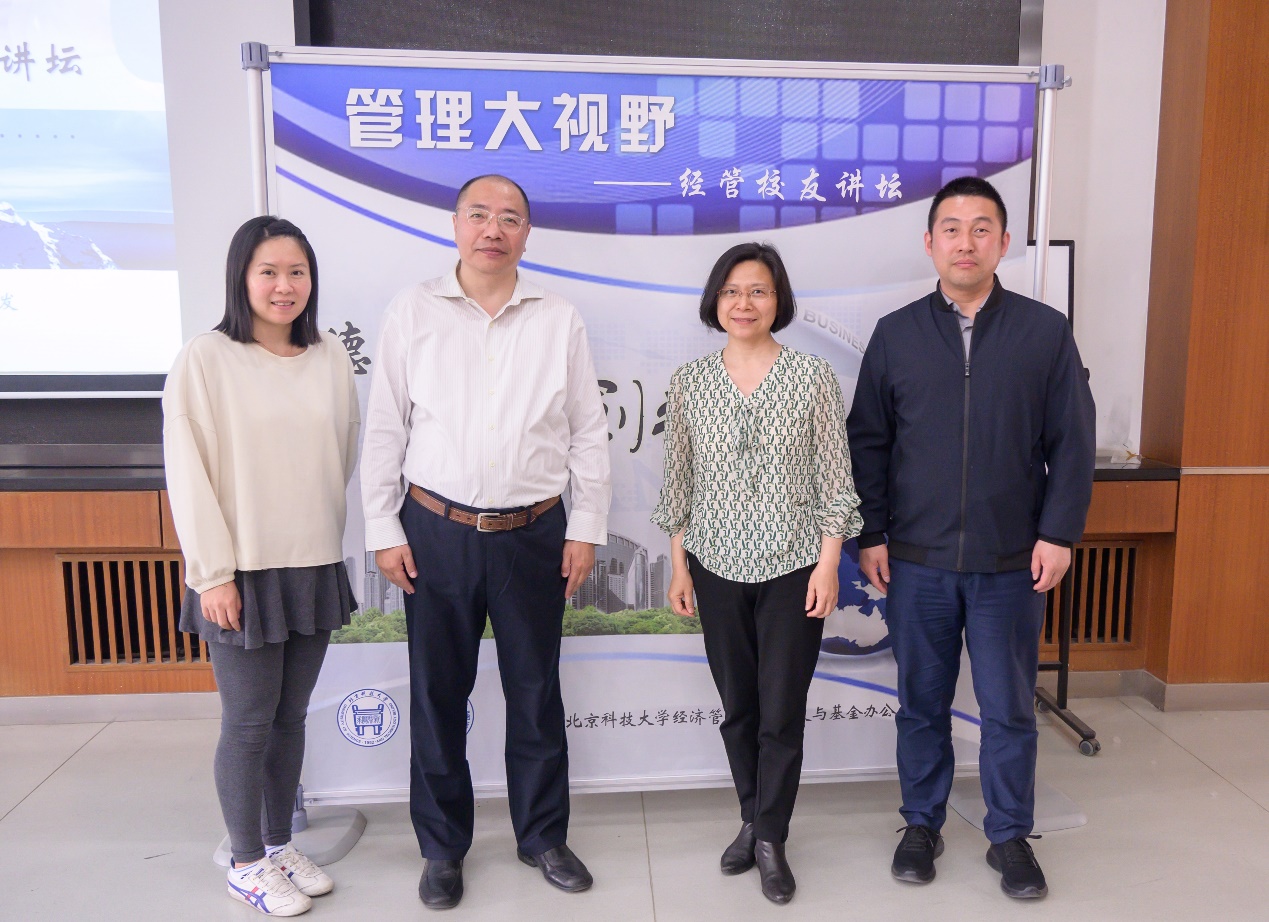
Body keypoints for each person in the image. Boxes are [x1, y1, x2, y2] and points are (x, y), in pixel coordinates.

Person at [360, 174, 611, 910]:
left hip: (535, 533)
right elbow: (386, 426)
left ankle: (542, 836)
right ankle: (442, 848)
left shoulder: (558, 317)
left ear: (527, 234)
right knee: (438, 694)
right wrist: (383, 527)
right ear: (455, 224)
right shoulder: (413, 310)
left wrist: (586, 527)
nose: (492, 229)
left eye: (509, 218)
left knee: (536, 691)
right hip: (436, 530)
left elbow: (587, 430)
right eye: (479, 214)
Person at [847, 176, 1095, 900]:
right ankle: (920, 825)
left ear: (1003, 242)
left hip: (1010, 562)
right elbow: (868, 442)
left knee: (1008, 709)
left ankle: (1009, 835)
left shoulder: (1043, 332)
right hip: (916, 561)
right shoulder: (896, 334)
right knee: (921, 704)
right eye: (951, 229)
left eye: (981, 228)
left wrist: (1058, 532)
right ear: (929, 243)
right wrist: (870, 533)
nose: (966, 242)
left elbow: (1073, 443)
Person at [652, 242, 863, 905]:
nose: (744, 303)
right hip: (714, 564)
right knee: (739, 708)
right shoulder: (689, 382)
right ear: (715, 300)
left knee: (781, 710)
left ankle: (770, 836)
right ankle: (751, 816)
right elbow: (678, 483)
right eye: (732, 291)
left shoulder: (811, 377)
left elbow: (836, 481)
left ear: (779, 301)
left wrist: (828, 564)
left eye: (759, 291)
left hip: (794, 566)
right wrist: (679, 566)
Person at [164, 216, 360, 917]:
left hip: (312, 561)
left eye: (296, 272)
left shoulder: (329, 356)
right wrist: (212, 574)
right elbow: (188, 470)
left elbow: (343, 452)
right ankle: (245, 863)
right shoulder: (206, 358)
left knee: (289, 718)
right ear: (241, 278)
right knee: (248, 723)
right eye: (268, 272)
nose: (284, 286)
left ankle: (279, 845)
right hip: (240, 570)